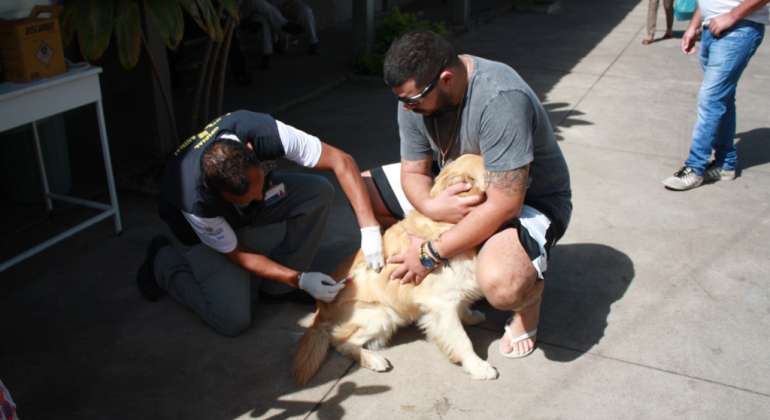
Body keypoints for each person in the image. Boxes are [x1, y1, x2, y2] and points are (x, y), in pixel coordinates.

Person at [362, 29, 572, 358]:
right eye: (401, 101)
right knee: (363, 190)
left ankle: (528, 301)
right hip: (457, 185)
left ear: (446, 79)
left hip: (529, 202)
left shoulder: (499, 97)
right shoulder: (416, 100)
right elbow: (413, 172)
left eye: (412, 101)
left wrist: (430, 252)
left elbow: (506, 205)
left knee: (503, 286)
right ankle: (438, 279)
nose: (406, 109)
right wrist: (433, 206)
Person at [137, 110, 384, 336]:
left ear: (250, 149)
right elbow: (238, 254)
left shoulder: (261, 131)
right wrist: (299, 278)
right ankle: (162, 261)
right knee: (232, 319)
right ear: (211, 190)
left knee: (317, 191)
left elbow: (341, 161)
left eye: (257, 188)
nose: (258, 199)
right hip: (213, 227)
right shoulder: (194, 200)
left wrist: (370, 228)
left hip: (240, 205)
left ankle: (278, 290)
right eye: (248, 197)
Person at [662, 0, 769, 190]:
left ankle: (695, 168)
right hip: (711, 28)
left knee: (710, 101)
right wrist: (695, 25)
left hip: (738, 29)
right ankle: (724, 164)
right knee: (723, 99)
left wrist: (732, 16)